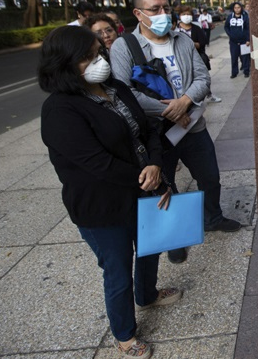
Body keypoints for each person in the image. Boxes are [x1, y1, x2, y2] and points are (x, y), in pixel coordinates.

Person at [39, 26, 180, 359]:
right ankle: (124, 334)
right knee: (117, 268)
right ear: (64, 64)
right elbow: (96, 163)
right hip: (101, 206)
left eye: (98, 52)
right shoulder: (60, 110)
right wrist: (145, 176)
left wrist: (156, 164)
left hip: (141, 189)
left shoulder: (114, 87)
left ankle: (147, 294)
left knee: (150, 248)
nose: (98, 60)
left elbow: (148, 130)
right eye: (87, 57)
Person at [109, 0, 241, 265]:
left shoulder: (181, 39)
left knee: (210, 177)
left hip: (192, 125)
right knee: (165, 187)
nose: (163, 14)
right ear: (138, 14)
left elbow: (203, 78)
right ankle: (175, 237)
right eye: (155, 9)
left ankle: (212, 217)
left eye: (166, 8)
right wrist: (170, 111)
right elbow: (124, 92)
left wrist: (185, 102)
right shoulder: (125, 46)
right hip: (156, 134)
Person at [175, 5, 221, 102]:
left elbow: (202, 42)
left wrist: (191, 44)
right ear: (179, 15)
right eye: (184, 14)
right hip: (181, 59)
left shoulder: (196, 28)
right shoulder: (175, 30)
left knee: (202, 78)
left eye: (188, 14)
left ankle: (209, 95)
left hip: (197, 57)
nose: (186, 16)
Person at [223, 1, 251, 78]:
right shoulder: (230, 17)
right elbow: (226, 27)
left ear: (241, 8)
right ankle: (234, 73)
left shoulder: (245, 17)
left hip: (244, 41)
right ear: (233, 8)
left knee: (245, 57)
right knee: (234, 58)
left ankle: (246, 71)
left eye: (238, 7)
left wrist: (248, 40)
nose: (237, 9)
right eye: (235, 8)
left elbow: (248, 29)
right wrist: (230, 34)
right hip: (233, 42)